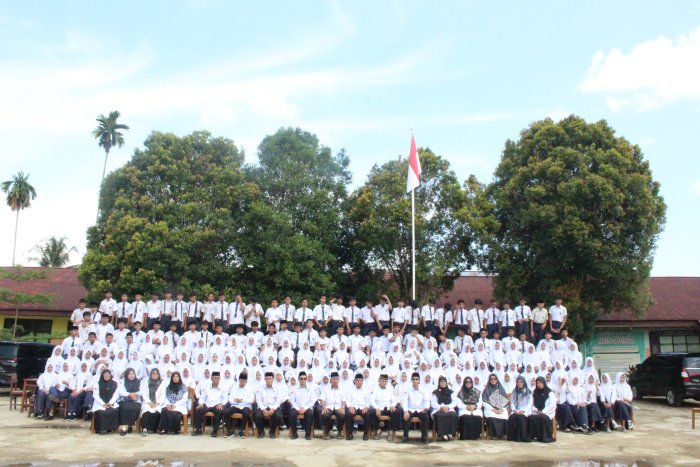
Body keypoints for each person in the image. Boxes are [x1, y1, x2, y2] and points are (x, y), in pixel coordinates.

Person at [369, 373, 401, 441]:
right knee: (372, 411)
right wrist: (377, 408)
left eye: (385, 381)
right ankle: (377, 430)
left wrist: (393, 405)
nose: (384, 383)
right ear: (379, 381)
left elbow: (394, 400)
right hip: (379, 408)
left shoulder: (390, 389)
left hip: (388, 408)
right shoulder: (375, 389)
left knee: (395, 411)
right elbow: (372, 401)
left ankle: (390, 431)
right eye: (382, 381)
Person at [193, 371, 225, 437]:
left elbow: (226, 398)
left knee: (219, 411)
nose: (215, 380)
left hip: (217, 405)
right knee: (198, 409)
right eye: (214, 378)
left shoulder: (223, 388)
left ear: (219, 379)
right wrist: (201, 403)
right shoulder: (207, 387)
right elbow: (202, 397)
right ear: (211, 378)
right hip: (207, 404)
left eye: (217, 378)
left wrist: (221, 404)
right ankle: (198, 429)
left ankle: (215, 431)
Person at [223, 372, 255, 439]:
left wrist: (242, 400)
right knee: (225, 412)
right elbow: (230, 399)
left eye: (244, 381)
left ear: (246, 381)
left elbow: (251, 400)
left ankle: (241, 430)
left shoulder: (249, 388)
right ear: (239, 380)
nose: (242, 382)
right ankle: (230, 430)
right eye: (241, 380)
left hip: (245, 406)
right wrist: (235, 400)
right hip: (235, 405)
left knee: (246, 413)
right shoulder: (234, 387)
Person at [401, 372, 430, 443]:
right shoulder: (408, 389)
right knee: (406, 416)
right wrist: (405, 411)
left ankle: (424, 437)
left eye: (416, 379)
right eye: (413, 379)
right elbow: (404, 400)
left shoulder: (423, 389)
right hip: (410, 409)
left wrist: (426, 408)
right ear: (411, 380)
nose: (415, 380)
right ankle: (405, 436)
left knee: (426, 417)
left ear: (419, 380)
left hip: (420, 409)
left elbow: (426, 400)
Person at [254, 371, 283, 438]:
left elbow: (278, 401)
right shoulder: (260, 388)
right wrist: (263, 409)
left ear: (273, 379)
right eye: (267, 379)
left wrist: (273, 409)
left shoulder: (277, 388)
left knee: (278, 416)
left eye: (270, 378)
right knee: (257, 416)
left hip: (273, 407)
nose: (268, 380)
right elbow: (259, 400)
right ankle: (261, 432)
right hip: (263, 407)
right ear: (264, 379)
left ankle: (272, 432)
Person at [289, 371, 316, 440]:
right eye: (301, 379)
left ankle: (308, 433)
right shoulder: (294, 389)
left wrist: (305, 408)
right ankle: (294, 433)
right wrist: (298, 409)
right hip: (296, 407)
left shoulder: (310, 389)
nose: (303, 380)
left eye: (304, 378)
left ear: (306, 379)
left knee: (310, 414)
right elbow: (292, 401)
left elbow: (313, 400)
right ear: (298, 380)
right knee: (292, 414)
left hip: (307, 407)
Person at [482, 373, 509, 440]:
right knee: (492, 416)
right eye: (491, 379)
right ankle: (494, 435)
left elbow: (505, 402)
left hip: (501, 409)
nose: (493, 380)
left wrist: (502, 409)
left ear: (497, 380)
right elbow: (484, 402)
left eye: (494, 379)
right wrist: (493, 409)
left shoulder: (501, 389)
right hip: (490, 409)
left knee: (504, 415)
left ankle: (502, 434)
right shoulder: (486, 390)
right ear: (489, 380)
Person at [529, 376, 556, 443]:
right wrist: (535, 409)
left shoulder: (550, 393)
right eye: (538, 383)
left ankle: (544, 437)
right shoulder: (535, 391)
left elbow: (552, 404)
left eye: (541, 383)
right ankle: (534, 436)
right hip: (537, 411)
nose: (539, 385)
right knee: (531, 417)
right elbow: (532, 403)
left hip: (547, 412)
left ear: (544, 383)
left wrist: (543, 411)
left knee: (543, 418)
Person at [92, 368, 120, 434]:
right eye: (105, 374)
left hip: (111, 403)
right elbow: (95, 395)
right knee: (101, 413)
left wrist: (110, 403)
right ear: (102, 375)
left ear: (110, 375)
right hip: (100, 404)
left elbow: (116, 395)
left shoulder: (115, 384)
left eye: (108, 374)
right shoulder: (97, 384)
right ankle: (101, 429)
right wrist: (103, 403)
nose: (107, 376)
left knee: (115, 410)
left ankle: (110, 428)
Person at [431, 375, 458, 441]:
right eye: (441, 382)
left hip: (449, 408)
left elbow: (454, 402)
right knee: (440, 415)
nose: (443, 383)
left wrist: (448, 407)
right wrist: (441, 407)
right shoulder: (435, 392)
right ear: (439, 383)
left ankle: (450, 433)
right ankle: (442, 434)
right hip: (438, 409)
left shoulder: (451, 392)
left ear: (446, 383)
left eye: (444, 382)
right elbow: (433, 403)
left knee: (452, 415)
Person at [455, 376, 483, 440]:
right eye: (466, 382)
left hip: (475, 409)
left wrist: (475, 406)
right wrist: (466, 406)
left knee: (477, 417)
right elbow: (458, 404)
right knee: (465, 417)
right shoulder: (460, 392)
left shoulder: (477, 392)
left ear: (472, 383)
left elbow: (480, 403)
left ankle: (475, 436)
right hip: (464, 409)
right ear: (464, 383)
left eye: (470, 382)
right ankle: (465, 436)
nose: (468, 383)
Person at [321, 371, 346, 439]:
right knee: (325, 415)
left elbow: (344, 400)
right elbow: (322, 400)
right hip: (328, 407)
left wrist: (342, 407)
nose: (335, 380)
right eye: (333, 379)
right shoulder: (325, 388)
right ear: (330, 380)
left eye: (336, 379)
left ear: (339, 380)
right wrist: (324, 407)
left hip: (338, 407)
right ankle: (327, 432)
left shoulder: (342, 389)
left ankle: (339, 432)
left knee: (342, 415)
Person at [345, 373, 371, 440]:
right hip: (354, 407)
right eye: (357, 380)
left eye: (360, 380)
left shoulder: (366, 390)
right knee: (349, 414)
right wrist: (350, 407)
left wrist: (366, 407)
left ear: (362, 381)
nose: (359, 382)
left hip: (363, 407)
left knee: (368, 414)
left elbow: (369, 401)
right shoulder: (350, 389)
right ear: (355, 381)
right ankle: (350, 434)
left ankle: (365, 434)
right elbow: (347, 400)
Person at [117, 367, 142, 435]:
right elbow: (121, 391)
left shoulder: (139, 382)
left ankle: (130, 425)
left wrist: (135, 394)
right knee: (124, 408)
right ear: (126, 375)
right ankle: (124, 427)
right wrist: (129, 394)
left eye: (133, 373)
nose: (131, 375)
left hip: (136, 400)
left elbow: (142, 391)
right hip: (125, 400)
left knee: (135, 408)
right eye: (129, 374)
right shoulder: (123, 382)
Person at [507, 375, 532, 442]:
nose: (519, 383)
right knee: (512, 417)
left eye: (521, 382)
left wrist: (523, 410)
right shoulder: (515, 391)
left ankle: (521, 437)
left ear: (524, 382)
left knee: (521, 418)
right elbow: (512, 402)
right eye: (518, 382)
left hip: (525, 410)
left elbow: (530, 403)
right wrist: (514, 410)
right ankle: (512, 437)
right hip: (516, 410)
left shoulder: (528, 392)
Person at [140, 368, 164, 435]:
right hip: (147, 402)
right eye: (153, 373)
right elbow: (143, 393)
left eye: (156, 374)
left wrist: (157, 403)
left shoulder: (162, 383)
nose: (155, 375)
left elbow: (163, 395)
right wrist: (149, 402)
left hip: (157, 403)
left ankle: (157, 428)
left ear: (158, 375)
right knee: (146, 411)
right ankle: (145, 429)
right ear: (150, 374)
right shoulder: (146, 382)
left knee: (158, 412)